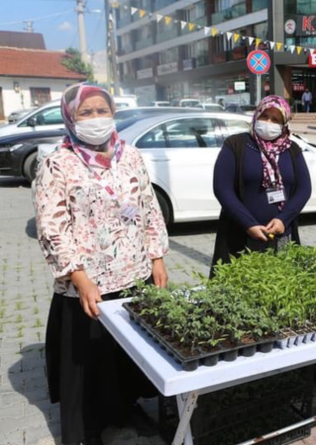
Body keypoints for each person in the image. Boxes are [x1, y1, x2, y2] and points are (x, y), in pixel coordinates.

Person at [34, 83, 169, 445]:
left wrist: (156, 256)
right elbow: (52, 226)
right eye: (85, 112)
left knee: (126, 357)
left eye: (101, 110)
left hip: (134, 273)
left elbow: (148, 208)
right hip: (88, 283)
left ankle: (127, 410)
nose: (96, 119)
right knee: (89, 361)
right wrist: (79, 277)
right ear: (70, 117)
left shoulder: (130, 155)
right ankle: (89, 430)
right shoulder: (57, 163)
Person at [210, 95, 312, 275]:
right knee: (236, 291)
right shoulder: (236, 144)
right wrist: (248, 224)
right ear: (256, 115)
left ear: (284, 124)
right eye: (265, 116)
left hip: (280, 234)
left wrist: (283, 219)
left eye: (276, 119)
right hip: (240, 234)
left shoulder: (292, 149)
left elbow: (304, 189)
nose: (269, 123)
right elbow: (222, 188)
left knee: (280, 289)